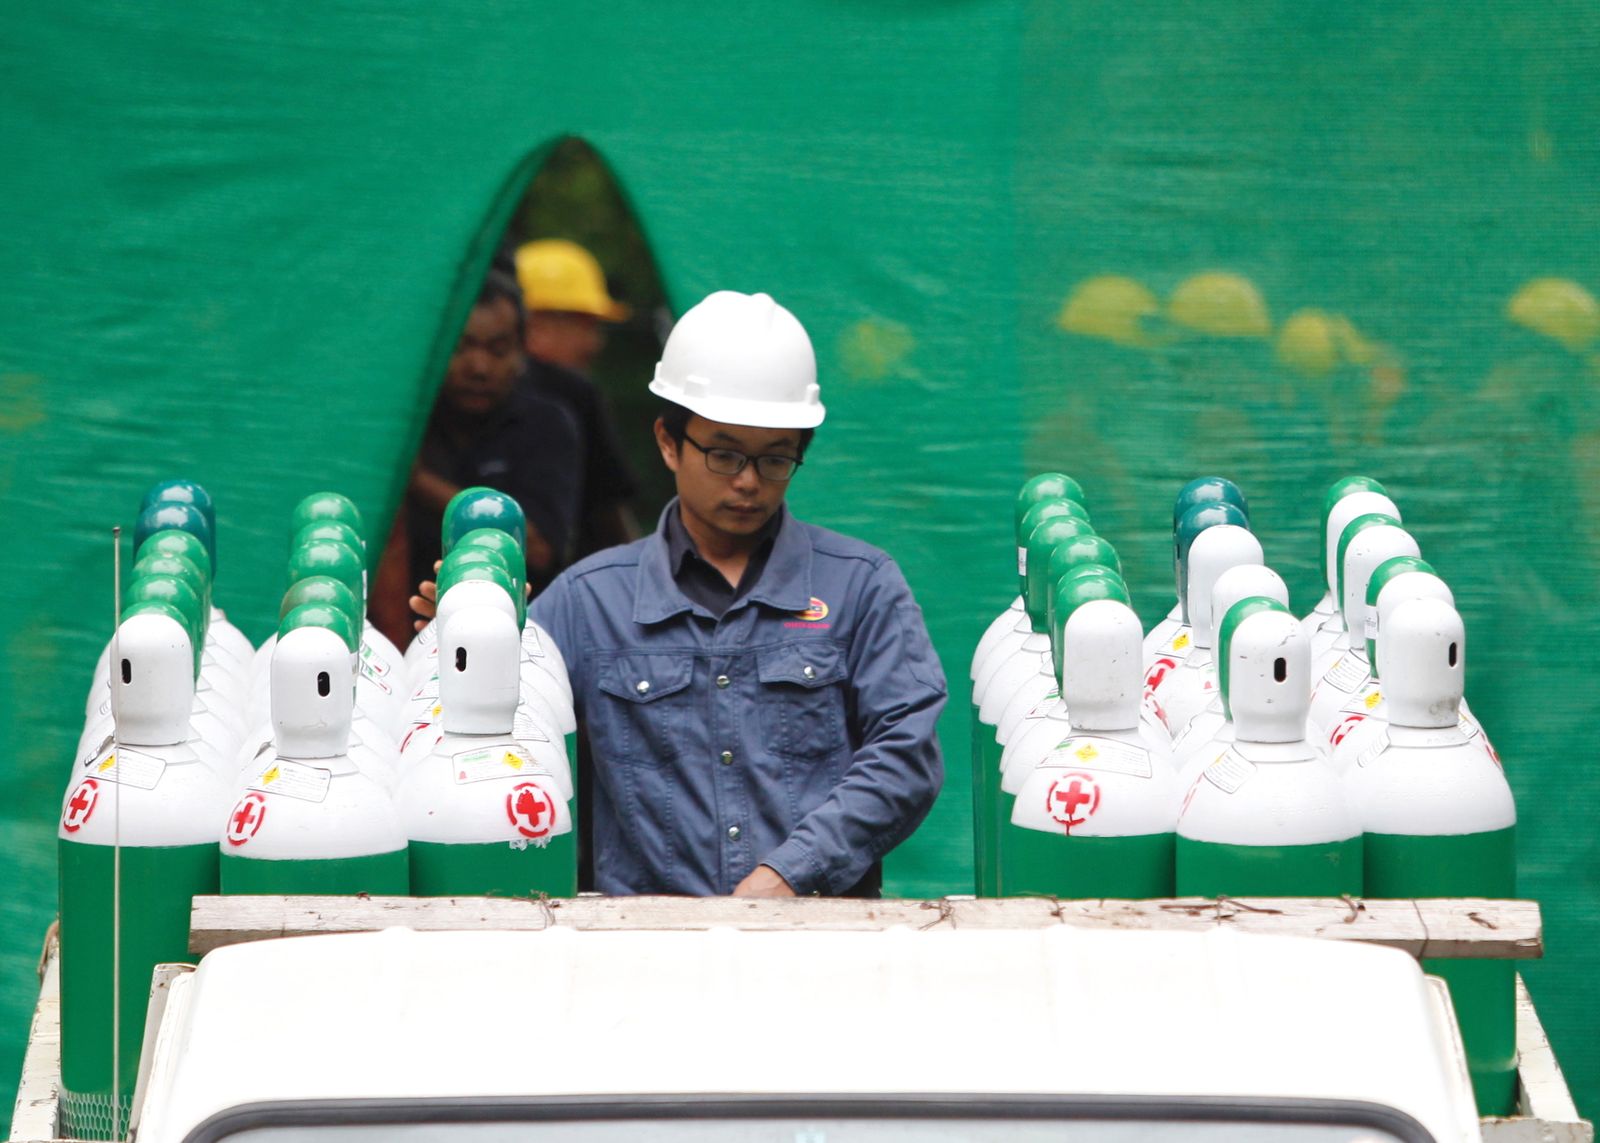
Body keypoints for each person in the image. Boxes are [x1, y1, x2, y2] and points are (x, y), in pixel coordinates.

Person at [527, 289, 947, 897]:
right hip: (646, 954)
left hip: (822, 946)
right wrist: (467, 638)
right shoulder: (586, 603)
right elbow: (492, 738)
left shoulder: (860, 585)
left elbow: (906, 755)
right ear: (669, 443)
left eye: (775, 460)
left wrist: (792, 873)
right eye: (724, 454)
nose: (749, 482)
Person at [404, 271, 585, 598]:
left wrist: (420, 483)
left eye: (498, 350)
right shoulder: (404, 421)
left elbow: (539, 549)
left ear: (521, 351)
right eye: (462, 347)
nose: (479, 367)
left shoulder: (545, 424)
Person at [514, 239, 642, 554]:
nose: (594, 344)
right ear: (534, 323)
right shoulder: (575, 396)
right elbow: (609, 511)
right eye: (586, 325)